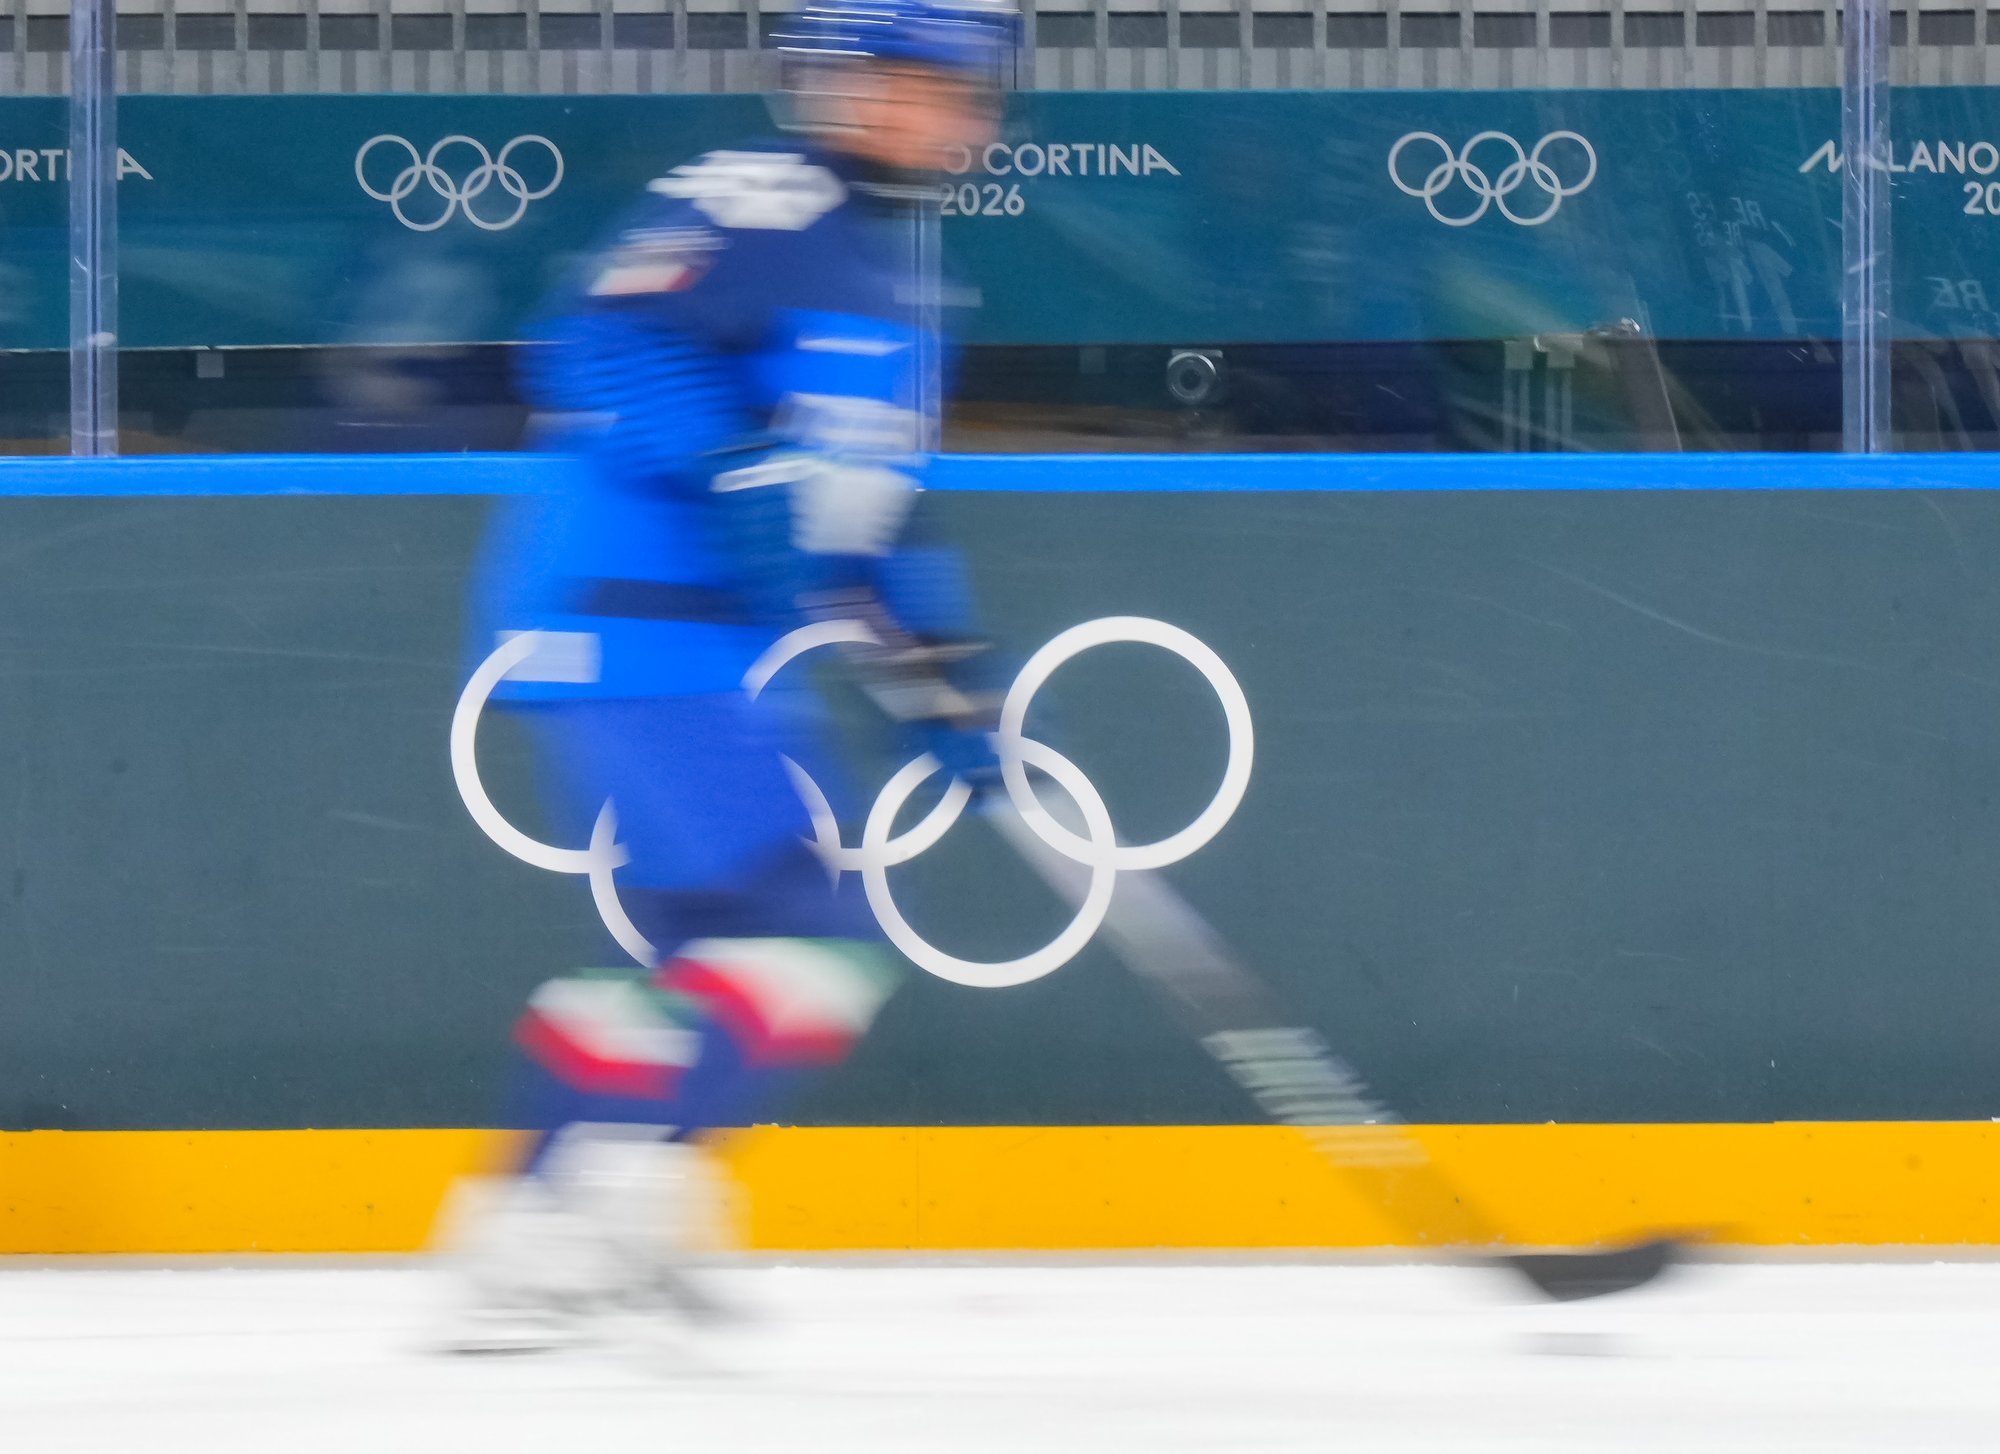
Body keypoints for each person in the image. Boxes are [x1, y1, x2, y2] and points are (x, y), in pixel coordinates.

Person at [439, 0, 1022, 1352]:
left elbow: (869, 522)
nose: (962, 117)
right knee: (812, 930)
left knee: (690, 952)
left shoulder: (902, 286)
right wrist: (730, 462)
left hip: (702, 643)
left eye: (970, 91)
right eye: (936, 86)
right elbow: (598, 340)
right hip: (622, 614)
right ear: (857, 86)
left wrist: (947, 678)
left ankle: (527, 1230)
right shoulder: (760, 200)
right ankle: (625, 1209)